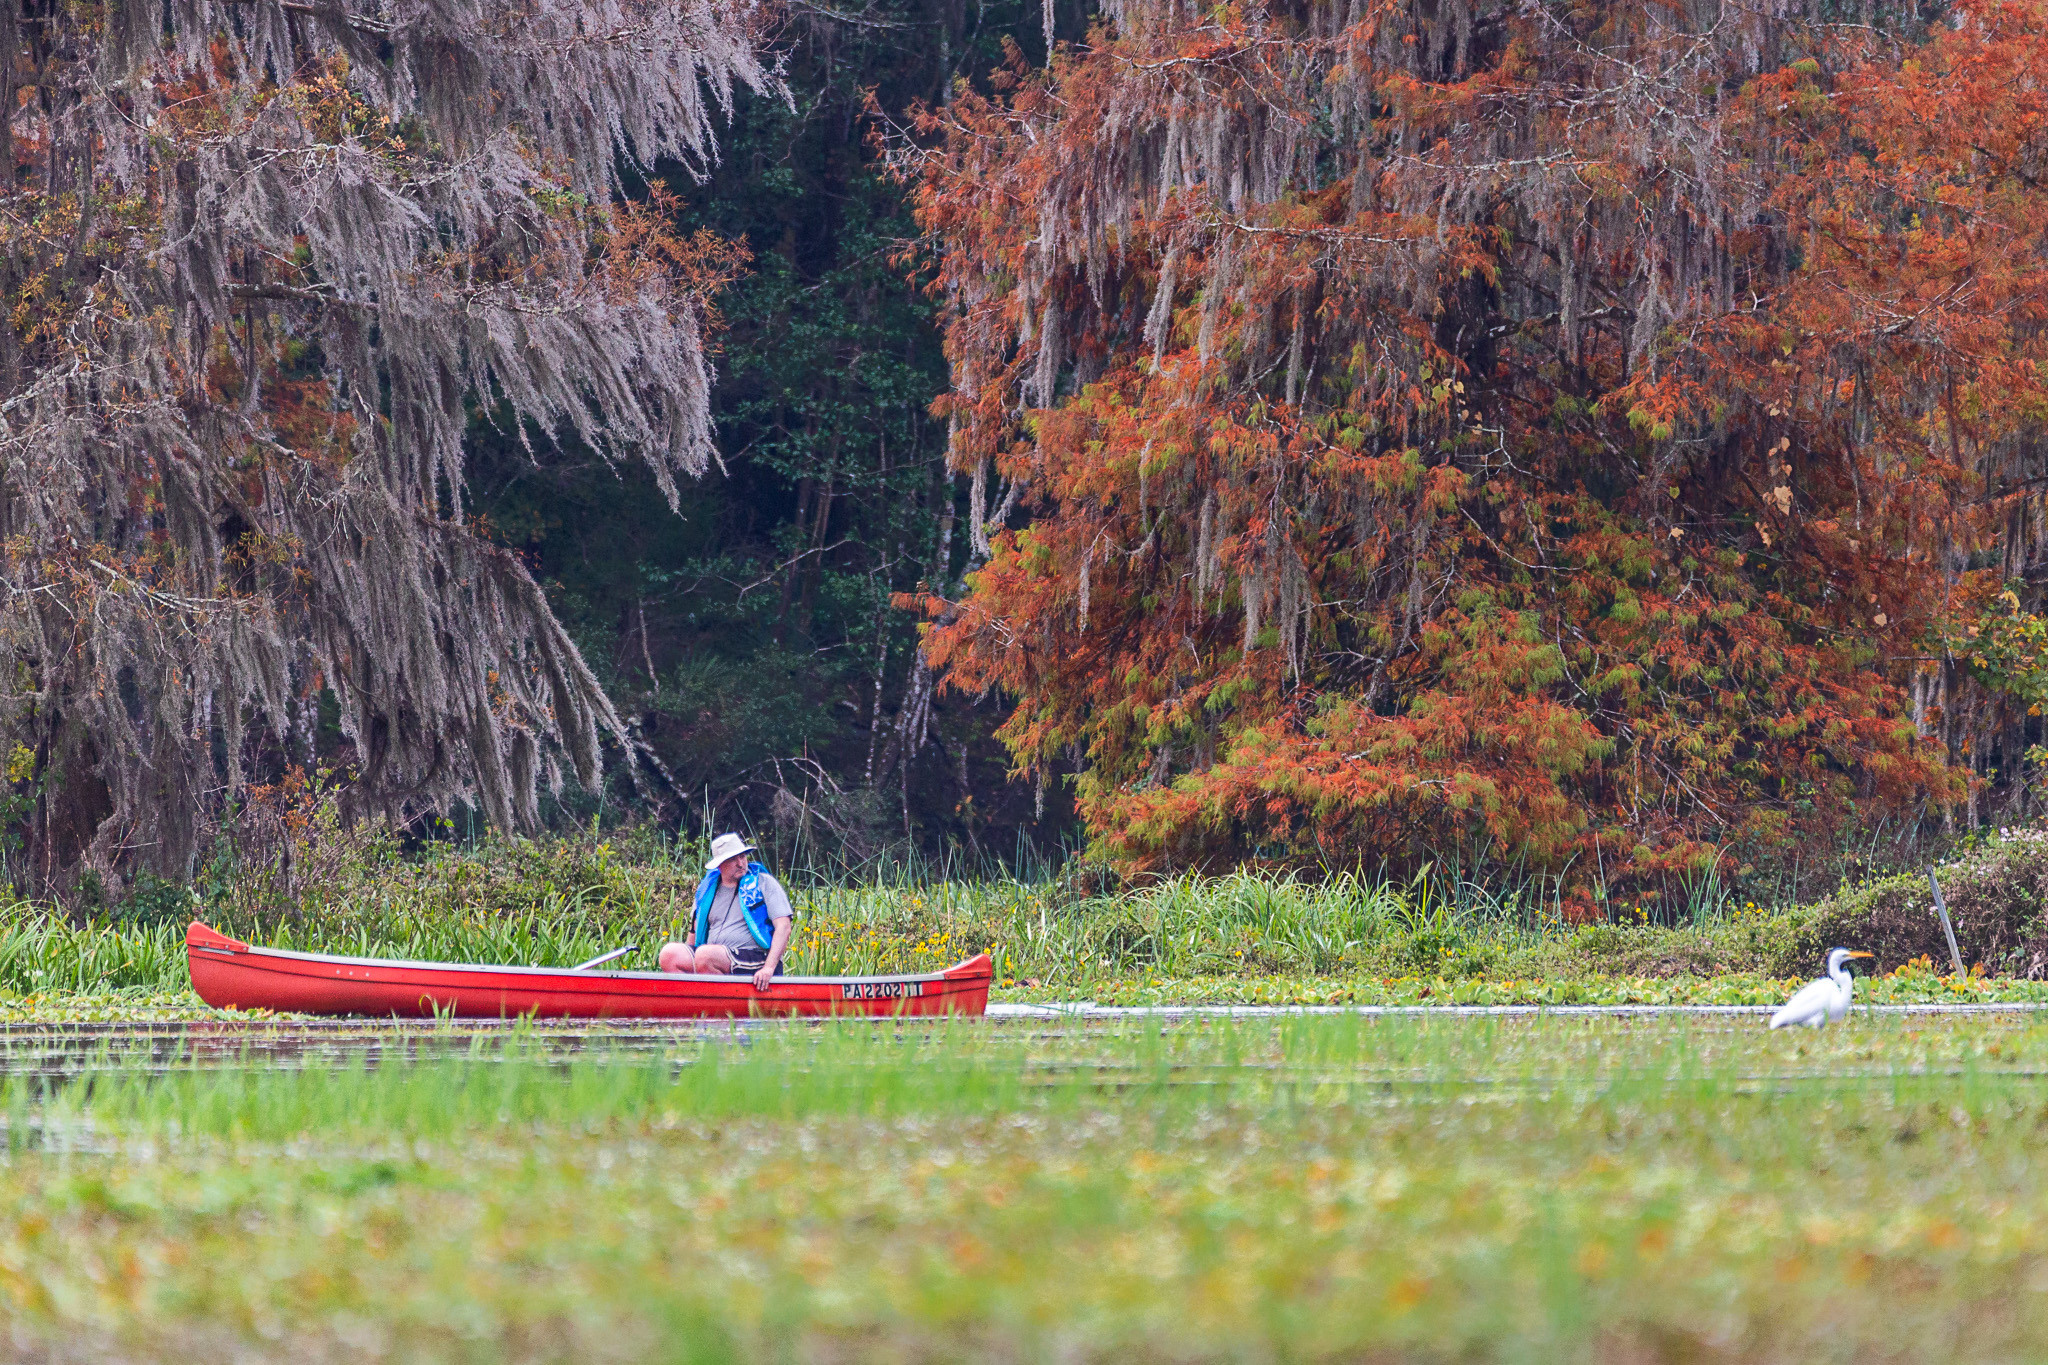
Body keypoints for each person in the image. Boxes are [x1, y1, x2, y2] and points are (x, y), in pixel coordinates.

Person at [657, 833, 793, 990]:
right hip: (711, 956)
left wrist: (768, 968)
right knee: (670, 954)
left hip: (757, 957)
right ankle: (693, 1001)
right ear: (719, 865)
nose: (740, 863)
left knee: (705, 956)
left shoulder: (764, 882)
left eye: (742, 857)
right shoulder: (707, 889)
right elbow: (693, 936)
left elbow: (784, 927)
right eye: (733, 859)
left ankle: (720, 1005)